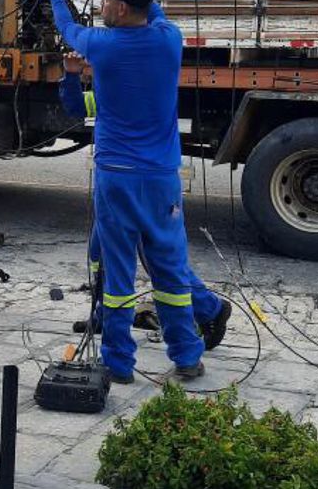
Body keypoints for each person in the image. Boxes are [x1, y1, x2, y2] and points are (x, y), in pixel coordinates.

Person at [41, 0, 229, 384]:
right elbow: (152, 10)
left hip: (117, 178)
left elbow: (67, 28)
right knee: (170, 270)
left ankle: (119, 363)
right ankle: (186, 357)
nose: (102, 4)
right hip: (161, 178)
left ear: (122, 9)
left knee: (118, 273)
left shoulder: (103, 46)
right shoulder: (169, 39)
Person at [58, 50, 232, 353]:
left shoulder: (141, 92)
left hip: (140, 190)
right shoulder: (113, 93)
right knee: (99, 253)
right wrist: (71, 74)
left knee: (159, 262)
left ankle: (209, 309)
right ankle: (105, 316)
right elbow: (76, 106)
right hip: (115, 190)